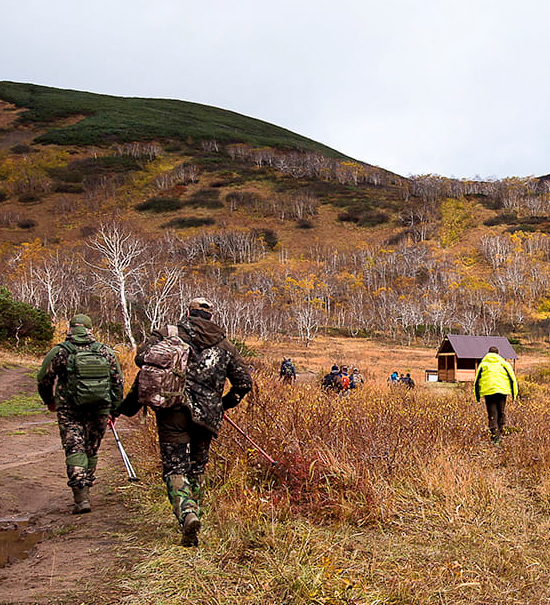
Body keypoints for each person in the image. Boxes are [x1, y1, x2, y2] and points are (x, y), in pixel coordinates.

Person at [117, 297, 252, 547]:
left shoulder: (168, 335)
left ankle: (187, 514)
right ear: (211, 317)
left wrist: (128, 406)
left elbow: (141, 361)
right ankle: (195, 515)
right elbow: (244, 384)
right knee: (197, 467)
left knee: (175, 467)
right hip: (208, 415)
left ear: (187, 312)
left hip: (172, 410)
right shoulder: (225, 345)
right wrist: (224, 404)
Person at [37, 314, 123, 514]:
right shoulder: (105, 352)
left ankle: (81, 496)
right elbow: (117, 383)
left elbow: (43, 379)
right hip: (100, 409)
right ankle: (87, 486)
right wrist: (114, 410)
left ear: (70, 329)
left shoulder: (60, 352)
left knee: (75, 448)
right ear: (90, 329)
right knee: (91, 448)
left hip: (70, 410)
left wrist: (50, 401)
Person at [473, 346, 518, 444]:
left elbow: (476, 381)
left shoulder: (483, 364)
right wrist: (514, 395)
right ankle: (501, 432)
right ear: (498, 353)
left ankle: (495, 437)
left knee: (492, 414)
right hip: (502, 391)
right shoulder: (504, 363)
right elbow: (512, 379)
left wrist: (477, 397)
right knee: (501, 412)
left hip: (488, 392)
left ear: (488, 353)